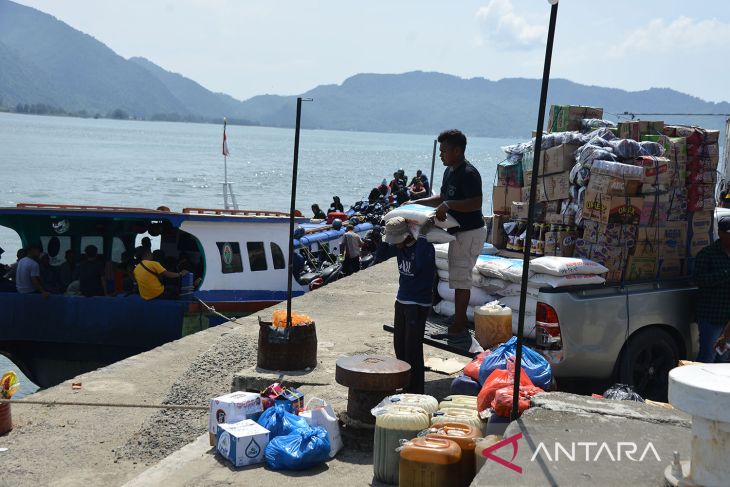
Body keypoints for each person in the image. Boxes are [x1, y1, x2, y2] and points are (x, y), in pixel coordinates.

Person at [419, 129, 486, 338]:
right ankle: (459, 319)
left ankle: (458, 326)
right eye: (440, 151)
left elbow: (476, 203)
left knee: (461, 279)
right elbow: (442, 198)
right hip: (457, 232)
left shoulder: (469, 173)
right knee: (457, 278)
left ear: (457, 150)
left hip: (470, 231)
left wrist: (449, 204)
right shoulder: (450, 171)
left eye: (444, 150)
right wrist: (416, 202)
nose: (441, 154)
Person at [385, 216, 436, 394]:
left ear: (407, 236)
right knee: (400, 346)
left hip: (417, 304)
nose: (394, 245)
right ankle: (405, 383)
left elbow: (422, 263)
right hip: (401, 301)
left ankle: (415, 390)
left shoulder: (424, 248)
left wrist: (422, 234)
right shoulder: (401, 248)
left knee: (412, 350)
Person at [693, 216, 730, 362]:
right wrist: (726, 273)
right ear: (720, 233)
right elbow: (699, 280)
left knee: (724, 360)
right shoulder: (707, 254)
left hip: (728, 321)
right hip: (711, 316)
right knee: (708, 356)